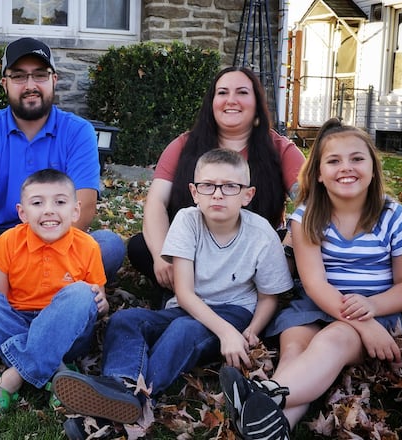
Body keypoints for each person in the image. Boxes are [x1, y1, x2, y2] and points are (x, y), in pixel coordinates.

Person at [51, 149, 294, 437]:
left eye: (230, 186)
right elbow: (184, 292)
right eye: (208, 186)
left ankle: (126, 408)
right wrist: (224, 332)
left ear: (247, 195)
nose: (217, 194)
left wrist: (247, 331)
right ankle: (121, 386)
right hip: (188, 305)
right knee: (126, 320)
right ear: (194, 192)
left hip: (233, 312)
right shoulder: (187, 221)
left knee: (183, 330)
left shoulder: (261, 233)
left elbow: (269, 297)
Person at [219, 118, 402, 440]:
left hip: (374, 309)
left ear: (373, 167)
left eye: (357, 158)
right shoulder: (307, 216)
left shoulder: (393, 215)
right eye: (333, 161)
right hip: (315, 304)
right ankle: (276, 426)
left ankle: (264, 395)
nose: (346, 167)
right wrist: (363, 322)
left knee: (330, 342)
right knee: (295, 350)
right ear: (317, 173)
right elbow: (315, 284)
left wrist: (369, 313)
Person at [0, 37, 125, 303]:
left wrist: (40, 258)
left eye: (40, 75)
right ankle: (43, 292)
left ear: (54, 79)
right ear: (4, 83)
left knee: (108, 245)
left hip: (56, 236)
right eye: (19, 77)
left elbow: (84, 206)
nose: (30, 86)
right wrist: (9, 261)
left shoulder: (78, 131)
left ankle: (1, 292)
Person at [126, 66, 305, 308]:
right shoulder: (182, 145)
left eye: (242, 92)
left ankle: (250, 299)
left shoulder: (280, 149)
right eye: (222, 93)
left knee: (296, 249)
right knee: (140, 247)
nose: (231, 100)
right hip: (192, 252)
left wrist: (288, 250)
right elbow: (156, 202)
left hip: (248, 257)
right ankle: (180, 293)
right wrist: (161, 257)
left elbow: (311, 202)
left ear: (257, 104)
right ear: (211, 103)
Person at [0, 168, 109, 421]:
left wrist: (100, 303)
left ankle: (10, 380)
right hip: (18, 320)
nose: (49, 210)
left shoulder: (88, 247)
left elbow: (98, 303)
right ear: (22, 213)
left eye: (60, 202)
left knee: (82, 293)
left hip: (67, 330)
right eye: (37, 203)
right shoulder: (9, 241)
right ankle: (59, 370)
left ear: (75, 211)